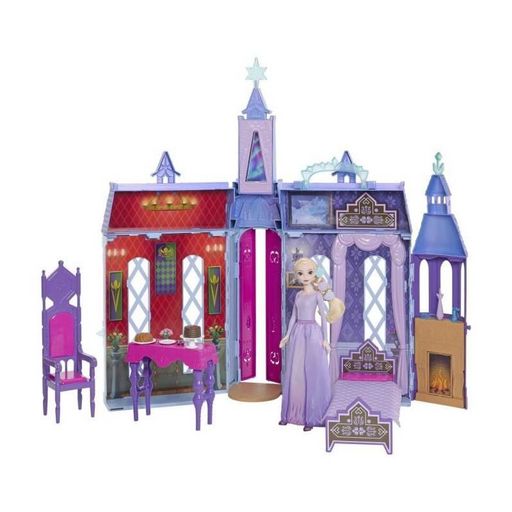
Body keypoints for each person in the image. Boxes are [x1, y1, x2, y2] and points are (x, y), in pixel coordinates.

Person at [279, 257, 345, 430]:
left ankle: (311, 416)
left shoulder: (317, 295)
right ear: (296, 275)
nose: (305, 276)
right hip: (298, 333)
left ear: (314, 274)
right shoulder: (298, 295)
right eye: (300, 273)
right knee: (296, 372)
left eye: (309, 272)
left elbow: (323, 318)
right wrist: (287, 336)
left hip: (313, 334)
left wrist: (325, 339)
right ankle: (291, 414)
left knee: (313, 371)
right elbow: (293, 316)